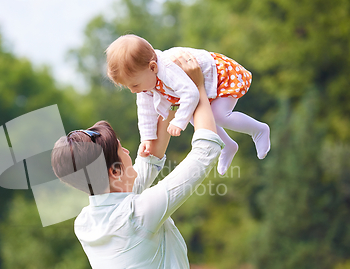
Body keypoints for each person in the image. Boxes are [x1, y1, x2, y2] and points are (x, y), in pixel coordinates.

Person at [51, 53, 223, 269]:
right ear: (114, 171)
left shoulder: (85, 223)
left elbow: (148, 162)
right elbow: (206, 150)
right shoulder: (137, 215)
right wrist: (198, 89)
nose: (130, 152)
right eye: (122, 149)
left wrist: (164, 90)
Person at [106, 34, 270, 175]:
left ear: (153, 67)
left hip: (217, 75)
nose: (133, 91)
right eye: (128, 87)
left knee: (219, 115)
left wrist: (179, 122)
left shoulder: (168, 69)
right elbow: (145, 113)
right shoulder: (144, 83)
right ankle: (228, 145)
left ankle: (259, 130)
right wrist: (147, 139)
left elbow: (191, 94)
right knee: (195, 115)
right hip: (195, 87)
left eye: (134, 85)